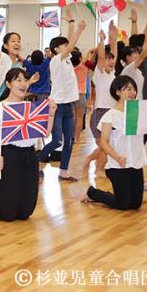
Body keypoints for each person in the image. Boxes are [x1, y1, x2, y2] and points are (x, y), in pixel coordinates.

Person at [0, 68, 57, 221]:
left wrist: (51, 115)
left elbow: (46, 133)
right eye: (18, 80)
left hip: (29, 154)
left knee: (24, 213)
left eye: (25, 80)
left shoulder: (32, 107)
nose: (23, 84)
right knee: (6, 214)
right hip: (9, 155)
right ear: (8, 84)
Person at [82, 75, 147, 210]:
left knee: (136, 204)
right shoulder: (110, 115)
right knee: (124, 204)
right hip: (117, 166)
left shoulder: (137, 113)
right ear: (117, 92)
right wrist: (117, 157)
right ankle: (93, 193)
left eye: (134, 89)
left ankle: (114, 196)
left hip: (135, 163)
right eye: (128, 89)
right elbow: (103, 142)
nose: (133, 92)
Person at [37, 10, 86, 182]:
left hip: (68, 106)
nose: (68, 47)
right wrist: (79, 30)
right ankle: (35, 163)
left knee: (69, 141)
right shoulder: (55, 60)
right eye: (64, 45)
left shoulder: (66, 59)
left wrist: (72, 23)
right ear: (57, 49)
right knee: (57, 140)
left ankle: (63, 172)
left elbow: (70, 44)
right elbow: (71, 45)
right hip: (56, 106)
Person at [82, 26, 118, 174]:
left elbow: (114, 53)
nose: (110, 61)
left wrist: (113, 39)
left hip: (113, 112)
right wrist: (102, 40)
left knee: (107, 144)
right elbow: (101, 57)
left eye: (112, 59)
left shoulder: (113, 73)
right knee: (104, 145)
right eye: (108, 59)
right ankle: (93, 163)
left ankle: (97, 167)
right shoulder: (100, 72)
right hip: (100, 113)